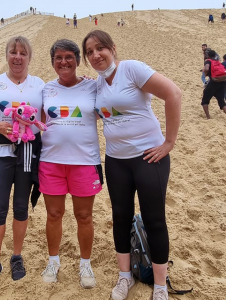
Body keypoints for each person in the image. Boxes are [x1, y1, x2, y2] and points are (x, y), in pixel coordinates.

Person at [82, 30, 181, 300]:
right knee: (120, 218)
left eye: (100, 48)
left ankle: (160, 286)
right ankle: (125, 277)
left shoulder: (131, 69)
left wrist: (168, 142)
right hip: (116, 161)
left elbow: (173, 94)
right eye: (89, 52)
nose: (95, 55)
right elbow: (95, 113)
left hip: (149, 158)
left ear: (113, 48)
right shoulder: (97, 85)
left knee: (154, 219)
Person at [0, 36, 44, 295]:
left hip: (28, 151)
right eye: (13, 52)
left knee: (21, 207)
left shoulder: (39, 84)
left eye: (23, 53)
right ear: (7, 55)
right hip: (0, 151)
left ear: (29, 57)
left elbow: (53, 107)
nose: (18, 57)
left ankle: (16, 256)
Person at [39, 39, 103, 289]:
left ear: (78, 60)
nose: (63, 62)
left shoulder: (93, 86)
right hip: (51, 161)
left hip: (85, 161)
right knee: (54, 214)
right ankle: (53, 262)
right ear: (53, 62)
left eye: (68, 57)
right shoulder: (45, 89)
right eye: (58, 58)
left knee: (84, 215)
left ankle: (85, 263)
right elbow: (38, 120)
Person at [201, 50, 226, 119]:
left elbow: (206, 68)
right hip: (222, 82)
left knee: (205, 99)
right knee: (222, 102)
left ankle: (208, 117)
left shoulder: (208, 60)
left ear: (208, 55)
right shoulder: (217, 61)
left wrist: (206, 74)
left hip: (214, 82)